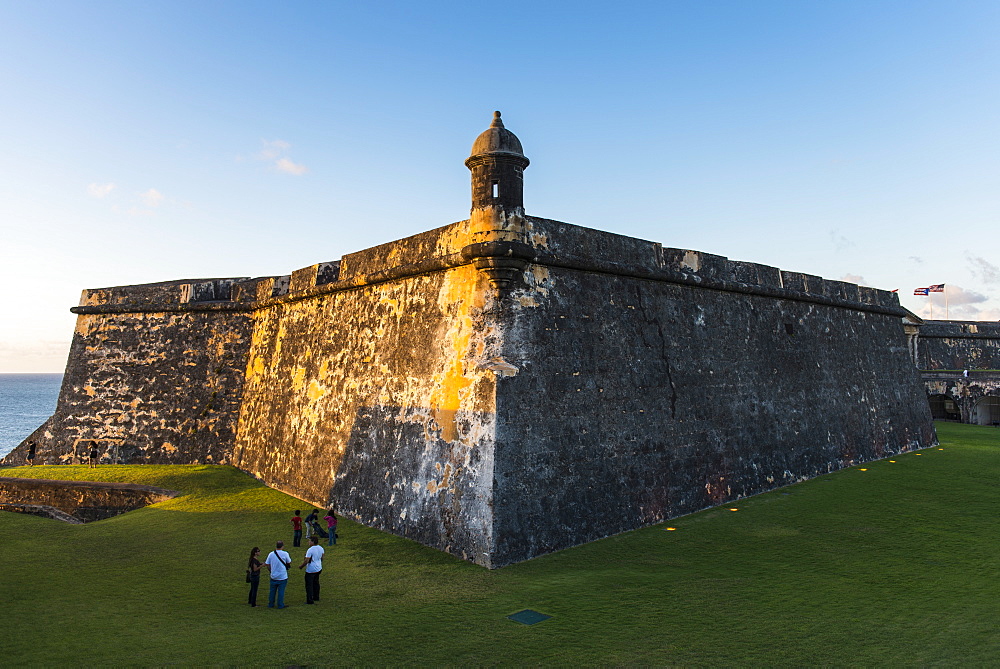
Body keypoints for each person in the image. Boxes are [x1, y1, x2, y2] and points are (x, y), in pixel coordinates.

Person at [264, 540, 292, 608]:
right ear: (282, 546)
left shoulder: (271, 554)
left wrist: (271, 571)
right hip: (282, 576)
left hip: (273, 576)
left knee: (272, 591)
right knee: (281, 591)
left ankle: (271, 604)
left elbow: (267, 564)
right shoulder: (285, 554)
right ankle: (280, 604)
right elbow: (289, 562)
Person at [299, 535, 325, 604]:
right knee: (316, 582)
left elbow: (307, 560)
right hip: (318, 567)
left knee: (309, 585)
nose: (308, 542)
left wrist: (301, 566)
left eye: (309, 541)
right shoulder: (321, 548)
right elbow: (322, 557)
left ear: (313, 542)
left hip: (311, 569)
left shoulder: (310, 550)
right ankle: (316, 596)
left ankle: (309, 600)